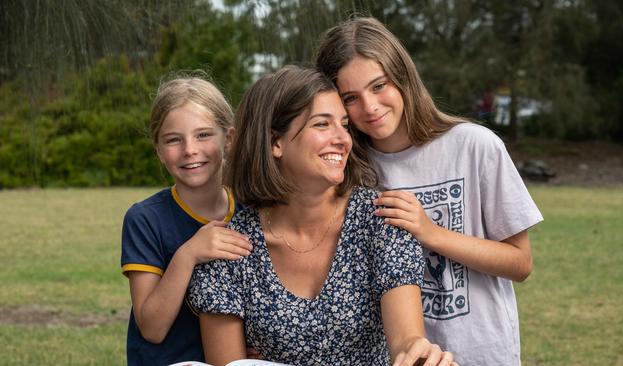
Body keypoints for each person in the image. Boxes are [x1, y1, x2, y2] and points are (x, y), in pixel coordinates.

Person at [188, 66, 457, 366]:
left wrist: (419, 354)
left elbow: (406, 341)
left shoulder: (383, 220)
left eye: (344, 124)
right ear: (275, 142)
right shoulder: (228, 250)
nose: (343, 139)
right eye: (322, 124)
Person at [316, 17, 543, 366]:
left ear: (403, 75)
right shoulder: (348, 170)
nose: (370, 106)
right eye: (351, 98)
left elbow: (520, 262)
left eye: (379, 86)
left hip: (481, 353)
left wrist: (431, 232)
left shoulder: (475, 147)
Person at [120, 74, 252, 365]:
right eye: (173, 140)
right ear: (158, 150)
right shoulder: (145, 219)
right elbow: (152, 329)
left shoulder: (252, 209)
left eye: (203, 135)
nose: (190, 149)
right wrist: (189, 254)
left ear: (228, 139)